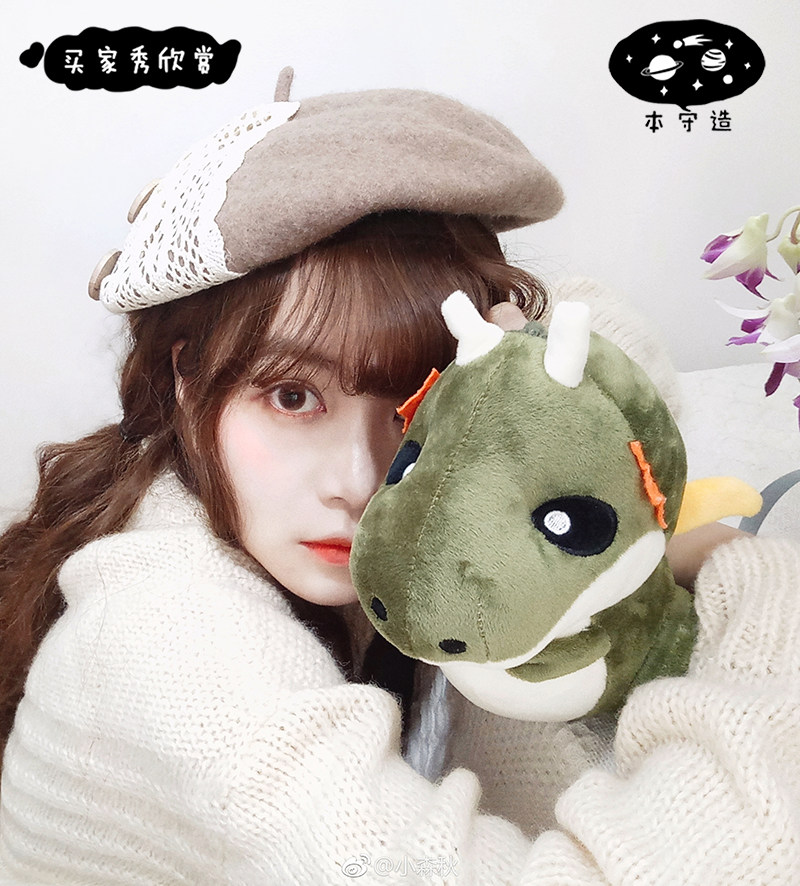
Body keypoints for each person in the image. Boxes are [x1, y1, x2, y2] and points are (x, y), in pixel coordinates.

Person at [1, 69, 799, 884]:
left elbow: (601, 344)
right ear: (184, 376)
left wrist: (520, 379)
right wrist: (769, 601)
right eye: (292, 397)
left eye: (415, 402)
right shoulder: (171, 644)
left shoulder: (207, 501)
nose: (358, 482)